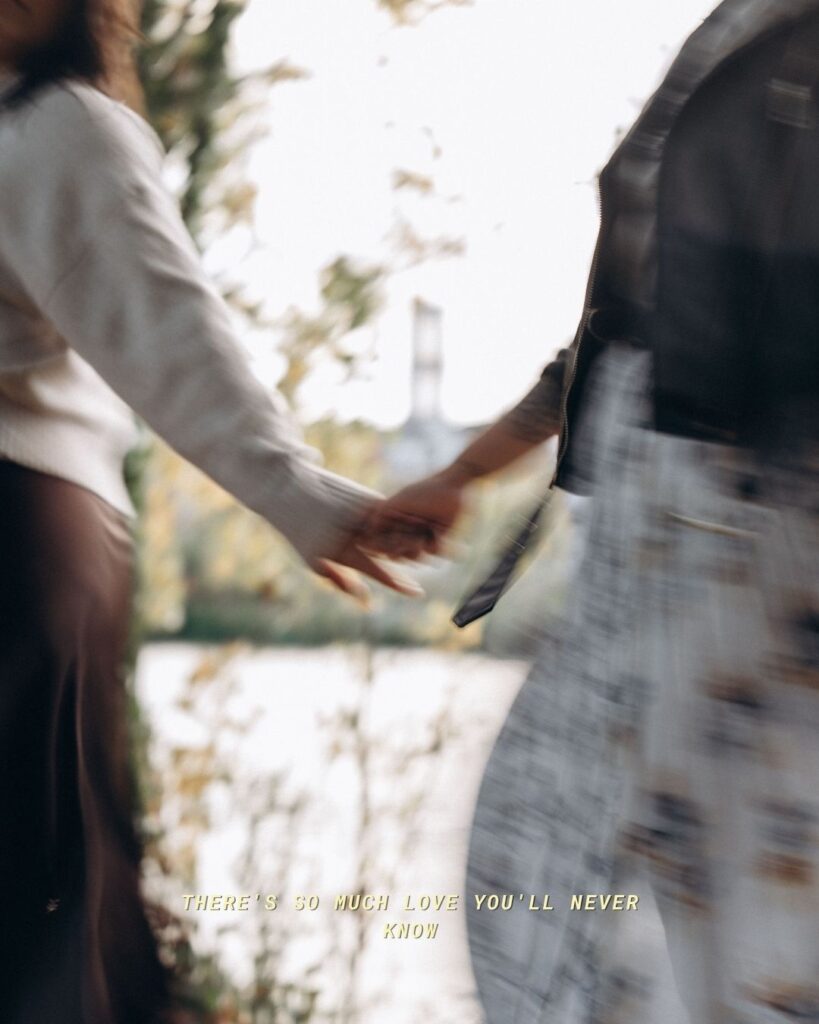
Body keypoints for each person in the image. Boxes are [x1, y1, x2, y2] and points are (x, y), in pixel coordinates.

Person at [375, 1, 819, 1021]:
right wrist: (463, 472)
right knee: (566, 886)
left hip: (760, 564)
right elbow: (623, 319)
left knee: (743, 931)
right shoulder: (745, 26)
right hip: (651, 566)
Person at [0, 2, 429, 1021]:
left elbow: (173, 329)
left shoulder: (61, 127)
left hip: (18, 541)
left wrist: (295, 488)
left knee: (38, 923)